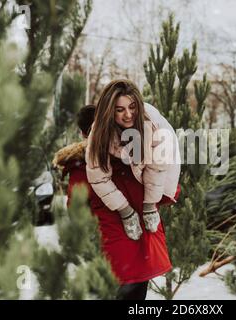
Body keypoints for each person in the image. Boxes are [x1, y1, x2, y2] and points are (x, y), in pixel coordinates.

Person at [85, 79, 181, 300]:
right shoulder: (98, 133)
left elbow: (157, 169)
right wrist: (125, 211)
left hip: (144, 190)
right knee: (121, 266)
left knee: (144, 262)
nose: (127, 115)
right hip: (113, 198)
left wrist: (149, 206)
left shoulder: (151, 127)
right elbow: (98, 176)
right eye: (119, 110)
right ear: (110, 111)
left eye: (132, 107)